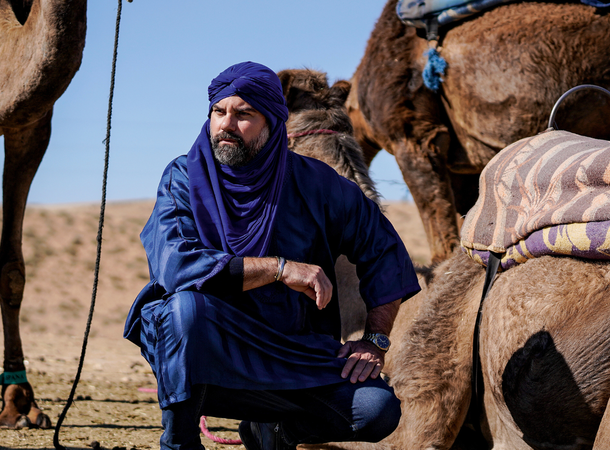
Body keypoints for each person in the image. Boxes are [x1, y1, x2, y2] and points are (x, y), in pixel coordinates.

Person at [124, 61, 421, 450]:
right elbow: (178, 266)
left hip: (295, 353)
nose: (226, 124)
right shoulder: (183, 178)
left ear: (272, 124)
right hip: (211, 346)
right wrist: (279, 269)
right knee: (185, 312)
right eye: (218, 112)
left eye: (243, 114)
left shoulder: (317, 185)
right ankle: (179, 441)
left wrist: (375, 340)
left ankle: (279, 431)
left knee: (376, 408)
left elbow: (385, 253)